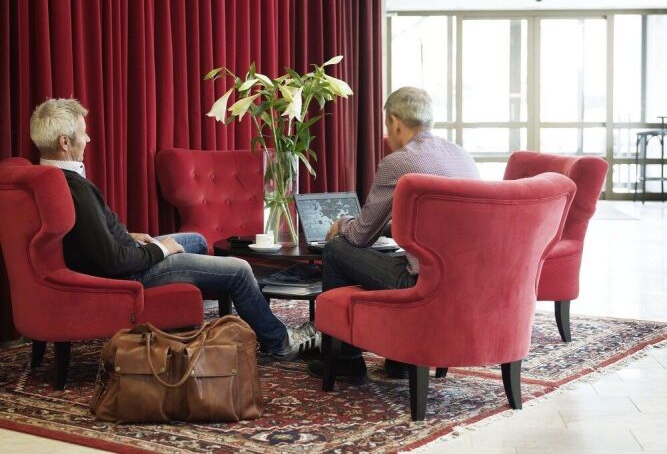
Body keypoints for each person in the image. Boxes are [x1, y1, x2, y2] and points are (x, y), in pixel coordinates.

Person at [29, 98, 318, 360]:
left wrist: (128, 236)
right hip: (130, 273)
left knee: (196, 240)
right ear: (65, 142)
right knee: (240, 270)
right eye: (83, 133)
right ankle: (280, 342)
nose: (88, 139)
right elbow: (112, 261)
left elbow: (89, 237)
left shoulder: (47, 177)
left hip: (126, 255)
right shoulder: (74, 189)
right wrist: (160, 249)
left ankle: (209, 314)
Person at [308, 86, 480, 383]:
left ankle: (347, 361)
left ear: (394, 122)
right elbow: (441, 225)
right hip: (468, 280)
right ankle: (400, 360)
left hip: (422, 284)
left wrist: (343, 223)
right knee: (399, 257)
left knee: (336, 249)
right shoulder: (462, 157)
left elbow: (360, 236)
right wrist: (387, 227)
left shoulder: (398, 162)